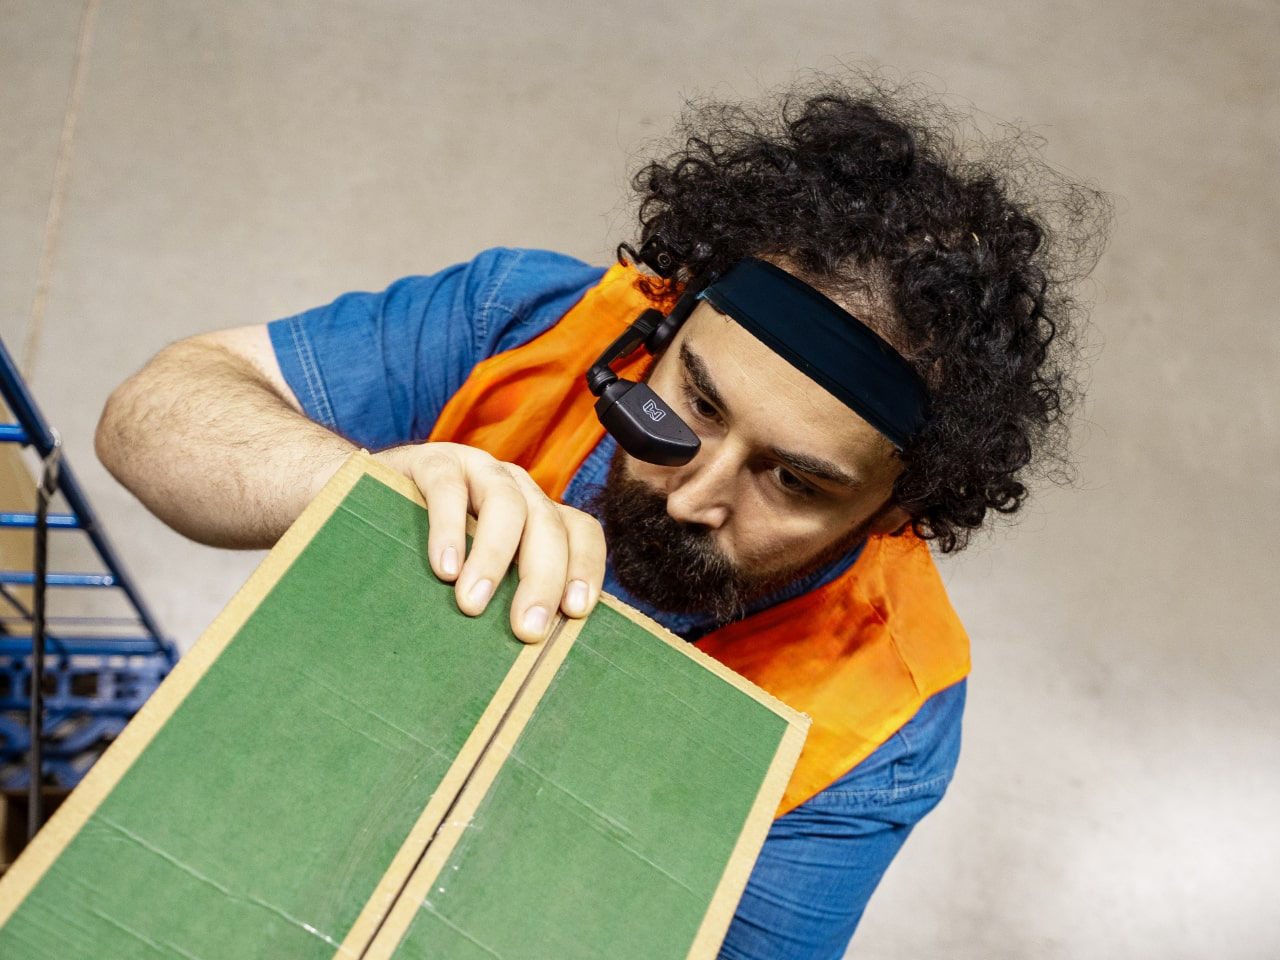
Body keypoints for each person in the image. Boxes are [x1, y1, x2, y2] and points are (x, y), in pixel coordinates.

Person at [95, 76, 1108, 958]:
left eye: (794, 483)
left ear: (903, 504)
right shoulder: (528, 324)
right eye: (694, 404)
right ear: (665, 323)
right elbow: (152, 414)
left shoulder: (889, 712)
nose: (693, 495)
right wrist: (359, 485)